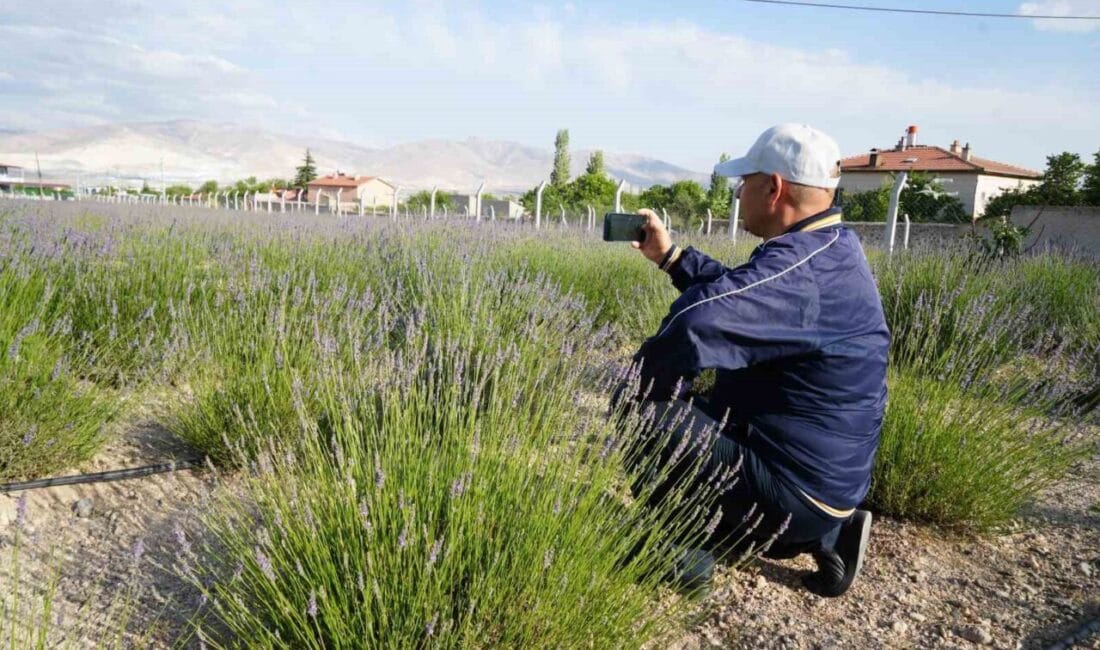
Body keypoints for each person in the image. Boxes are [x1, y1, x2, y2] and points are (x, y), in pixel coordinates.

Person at [614, 124, 889, 597]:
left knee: (642, 405)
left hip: (792, 493)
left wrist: (651, 390)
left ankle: (685, 552)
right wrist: (672, 258)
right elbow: (742, 291)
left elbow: (696, 325)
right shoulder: (829, 247)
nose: (739, 192)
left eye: (745, 181)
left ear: (774, 188)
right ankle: (832, 532)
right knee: (698, 400)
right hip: (833, 482)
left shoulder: (800, 266)